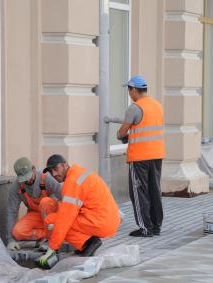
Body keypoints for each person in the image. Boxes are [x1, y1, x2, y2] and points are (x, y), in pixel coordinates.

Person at [36, 154, 120, 269]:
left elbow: (65, 219)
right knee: (52, 206)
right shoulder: (78, 174)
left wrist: (52, 248)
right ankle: (88, 242)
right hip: (107, 217)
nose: (54, 174)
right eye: (51, 172)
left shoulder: (72, 182)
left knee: (53, 221)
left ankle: (87, 243)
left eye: (56, 169)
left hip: (101, 221)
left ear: (65, 165)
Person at [117, 75, 165, 237]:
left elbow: (122, 132)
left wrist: (122, 134)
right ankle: (156, 227)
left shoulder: (135, 108)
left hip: (139, 157)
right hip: (157, 154)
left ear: (135, 90)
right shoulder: (157, 106)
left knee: (139, 193)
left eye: (130, 90)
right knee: (154, 190)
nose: (129, 94)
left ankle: (145, 228)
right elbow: (147, 129)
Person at [6, 157, 62, 251]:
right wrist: (10, 240)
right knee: (17, 232)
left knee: (45, 203)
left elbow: (64, 197)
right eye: (24, 179)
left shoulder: (46, 177)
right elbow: (11, 212)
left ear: (33, 169)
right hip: (36, 214)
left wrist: (65, 220)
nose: (27, 181)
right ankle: (45, 237)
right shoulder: (16, 187)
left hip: (52, 214)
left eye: (28, 177)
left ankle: (52, 239)